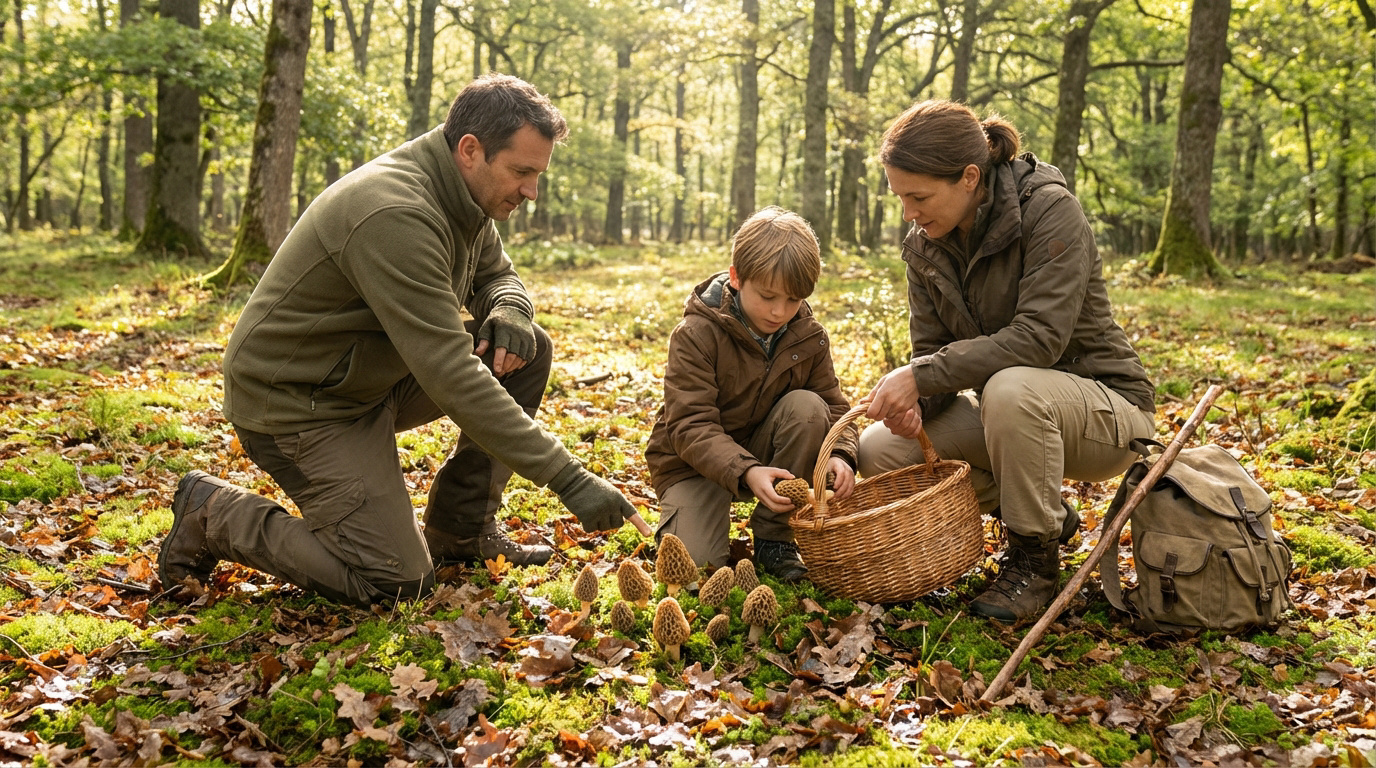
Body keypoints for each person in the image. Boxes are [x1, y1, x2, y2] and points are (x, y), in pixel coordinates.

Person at [157, 74, 636, 607]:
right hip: (300, 404)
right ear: (471, 150)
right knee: (395, 583)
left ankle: (461, 530)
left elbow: (496, 274)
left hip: (367, 378)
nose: (531, 191)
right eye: (521, 172)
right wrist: (569, 479)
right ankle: (213, 514)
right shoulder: (396, 212)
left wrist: (511, 307)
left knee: (525, 348)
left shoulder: (465, 193)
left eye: (537, 174)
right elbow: (451, 373)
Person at [859, 100, 1156, 622]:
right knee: (881, 448)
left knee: (1011, 388)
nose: (909, 212)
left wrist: (920, 376)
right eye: (900, 197)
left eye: (919, 196)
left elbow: (1039, 339)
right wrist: (919, 402)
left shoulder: (1048, 208)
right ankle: (1049, 512)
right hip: (1016, 419)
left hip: (1107, 411)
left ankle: (1033, 560)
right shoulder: (924, 244)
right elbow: (931, 355)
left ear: (970, 177)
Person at [645, 207, 858, 582]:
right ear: (736, 277)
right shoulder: (696, 333)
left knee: (809, 407)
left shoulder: (808, 335)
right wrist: (747, 471)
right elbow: (689, 425)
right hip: (693, 464)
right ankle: (693, 518)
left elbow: (835, 406)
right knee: (694, 573)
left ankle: (774, 536)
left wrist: (840, 454)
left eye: (793, 300)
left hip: (767, 451)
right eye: (768, 296)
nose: (779, 312)